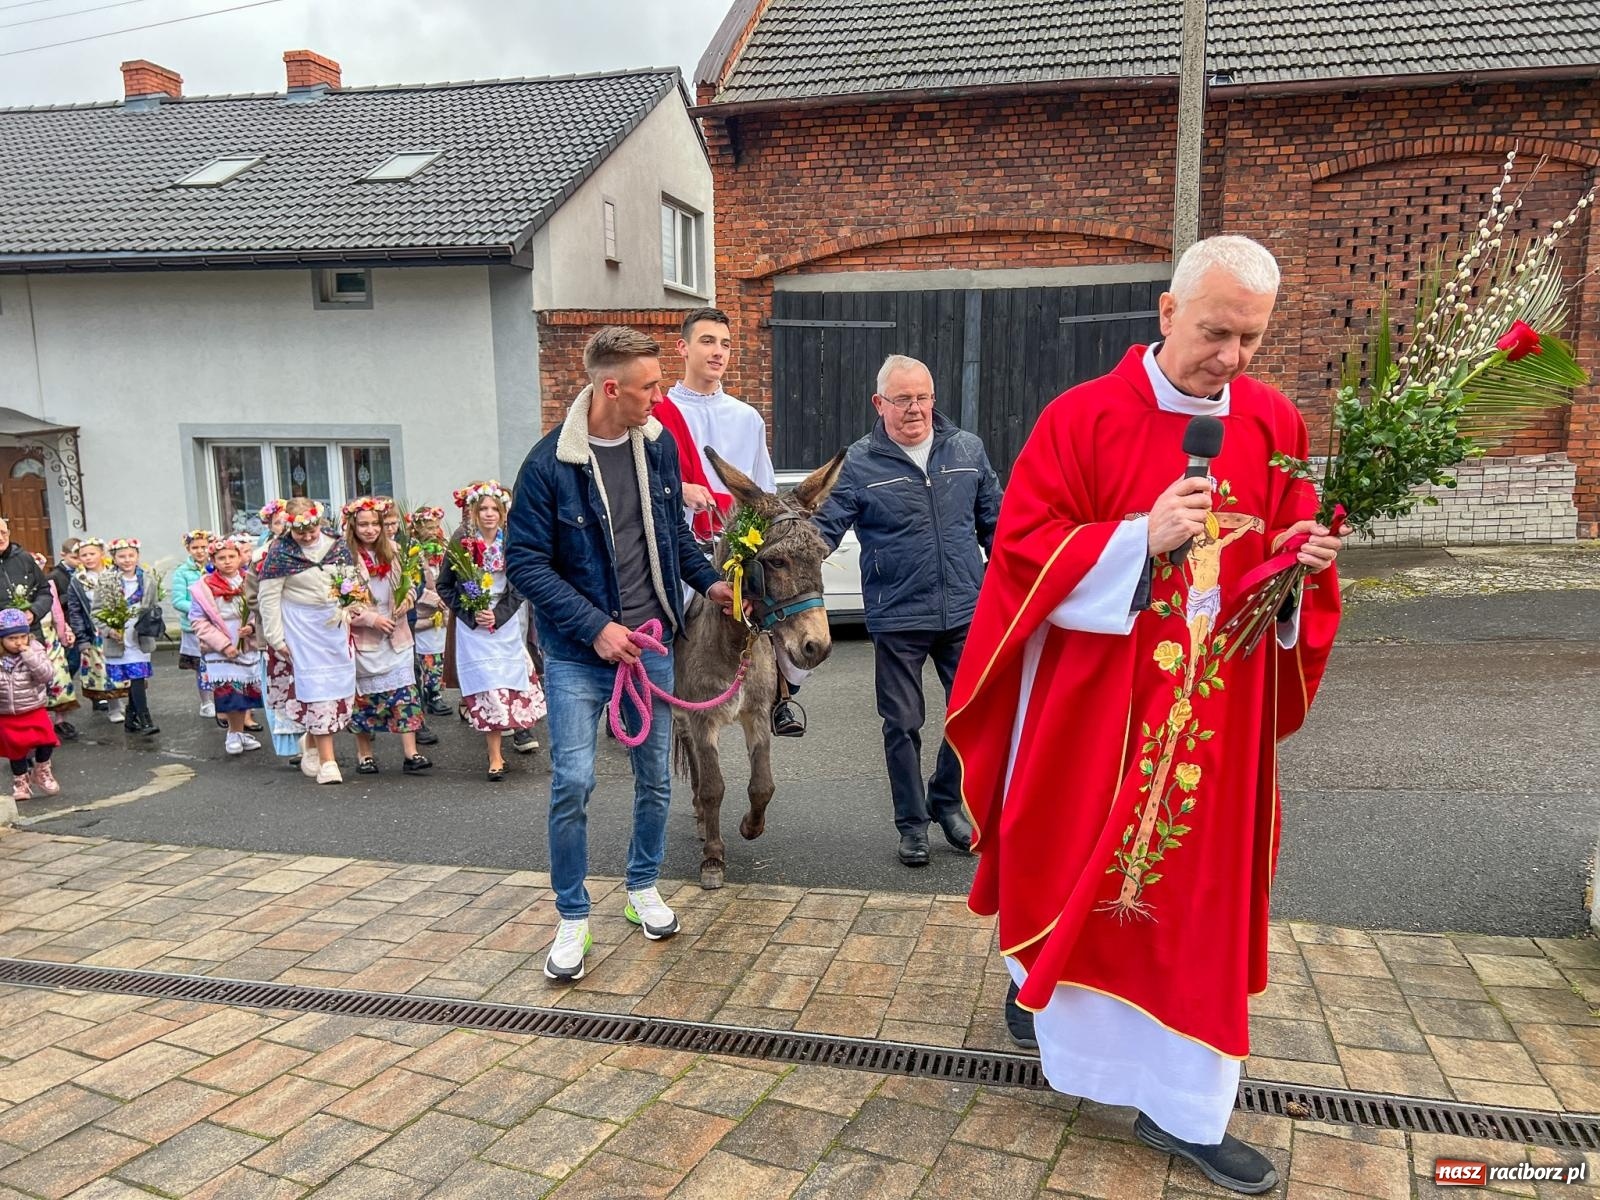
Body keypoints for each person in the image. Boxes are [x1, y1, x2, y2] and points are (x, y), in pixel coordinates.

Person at [945, 236, 1345, 1195]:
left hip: (1218, 722)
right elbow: (1022, 551)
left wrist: (1303, 571)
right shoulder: (1081, 419)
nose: (1232, 358)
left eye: (1251, 338)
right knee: (1077, 868)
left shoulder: (1274, 420)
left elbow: (1293, 536)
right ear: (1167, 315)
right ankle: (1041, 989)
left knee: (1194, 910)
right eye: (1215, 332)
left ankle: (1187, 1109)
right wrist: (1135, 540)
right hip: (1099, 719)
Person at [508, 326, 734, 983]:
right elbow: (524, 561)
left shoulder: (657, 449)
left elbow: (670, 536)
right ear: (611, 388)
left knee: (658, 779)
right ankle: (573, 915)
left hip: (654, 644)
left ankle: (641, 889)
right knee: (574, 781)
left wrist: (710, 582)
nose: (659, 399)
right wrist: (595, 626)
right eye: (649, 387)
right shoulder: (549, 464)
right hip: (580, 652)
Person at [813, 353, 1001, 868]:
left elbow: (998, 528)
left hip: (965, 609)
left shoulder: (967, 450)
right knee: (902, 725)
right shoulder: (859, 463)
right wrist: (782, 554)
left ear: (933, 399)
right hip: (897, 615)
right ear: (880, 404)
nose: (914, 409)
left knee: (975, 714)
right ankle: (912, 824)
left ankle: (945, 798)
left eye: (922, 397)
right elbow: (824, 530)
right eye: (902, 400)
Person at [657, 307, 806, 737]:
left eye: (724, 344)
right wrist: (681, 489)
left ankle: (782, 697)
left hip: (738, 548)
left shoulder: (747, 418)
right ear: (682, 347)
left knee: (788, 613)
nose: (718, 352)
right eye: (707, 341)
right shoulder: (657, 418)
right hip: (681, 547)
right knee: (660, 614)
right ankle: (651, 696)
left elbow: (764, 490)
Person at [439, 482, 545, 781]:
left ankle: (520, 729)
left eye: (493, 509)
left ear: (502, 513)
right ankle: (495, 756)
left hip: (504, 620)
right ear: (473, 512)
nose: (488, 514)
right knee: (488, 688)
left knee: (508, 683)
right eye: (482, 509)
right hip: (474, 627)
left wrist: (496, 616)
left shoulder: (511, 540)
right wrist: (472, 613)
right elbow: (445, 585)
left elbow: (521, 583)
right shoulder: (462, 542)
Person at [257, 498, 357, 785]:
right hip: (300, 626)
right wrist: (277, 638)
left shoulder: (336, 545)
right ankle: (329, 763)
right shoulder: (280, 551)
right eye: (302, 532)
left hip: (334, 624)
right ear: (290, 529)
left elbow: (349, 583)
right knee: (317, 690)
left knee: (336, 688)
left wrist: (350, 608)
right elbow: (269, 598)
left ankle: (311, 742)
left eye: (312, 530)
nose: (309, 536)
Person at [343, 497, 432, 775]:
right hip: (365, 636)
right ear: (353, 526)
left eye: (375, 524)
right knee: (365, 699)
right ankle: (365, 754)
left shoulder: (393, 550)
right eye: (363, 525)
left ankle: (411, 753)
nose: (370, 530)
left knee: (404, 692)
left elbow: (409, 584)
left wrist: (407, 599)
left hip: (396, 632)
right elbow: (340, 601)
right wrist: (371, 619)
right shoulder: (345, 558)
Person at [187, 535, 264, 756]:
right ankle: (232, 732)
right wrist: (223, 645)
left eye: (232, 556)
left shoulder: (248, 580)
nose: (227, 561)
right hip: (221, 643)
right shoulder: (204, 587)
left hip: (245, 642)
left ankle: (239, 732)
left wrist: (251, 626)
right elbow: (198, 621)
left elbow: (259, 609)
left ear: (241, 558)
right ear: (214, 560)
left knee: (245, 692)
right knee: (229, 691)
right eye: (221, 558)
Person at [248, 501, 304, 764]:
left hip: (304, 630)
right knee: (281, 688)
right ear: (271, 526)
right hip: (273, 633)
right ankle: (291, 747)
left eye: (287, 520)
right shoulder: (261, 557)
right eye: (279, 522)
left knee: (306, 686)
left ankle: (312, 740)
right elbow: (251, 596)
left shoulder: (308, 553)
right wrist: (278, 607)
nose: (284, 526)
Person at [92, 538, 161, 736]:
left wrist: (150, 620)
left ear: (138, 556)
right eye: (122, 556)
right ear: (113, 558)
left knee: (138, 676)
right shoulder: (106, 580)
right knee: (135, 677)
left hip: (139, 635)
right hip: (119, 636)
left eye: (131, 555)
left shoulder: (148, 578)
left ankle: (133, 717)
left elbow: (153, 605)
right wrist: (109, 630)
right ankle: (145, 719)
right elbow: (96, 611)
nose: (127, 560)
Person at [0, 609, 60, 801]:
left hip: (33, 706)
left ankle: (41, 770)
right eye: (12, 638)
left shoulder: (34, 650)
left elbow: (46, 675)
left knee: (46, 739)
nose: (19, 642)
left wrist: (30, 658)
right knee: (15, 748)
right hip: (7, 711)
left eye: (22, 636)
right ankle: (21, 781)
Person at [73, 538, 125, 722]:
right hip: (95, 631)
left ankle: (132, 704)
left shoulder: (114, 574)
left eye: (92, 553)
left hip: (116, 626)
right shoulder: (78, 580)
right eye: (83, 555)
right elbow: (76, 610)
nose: (88, 558)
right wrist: (82, 639)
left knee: (123, 665)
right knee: (104, 670)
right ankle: (114, 707)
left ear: (101, 554)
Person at [30, 552, 79, 744]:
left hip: (51, 638)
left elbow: (57, 612)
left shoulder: (47, 585)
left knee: (59, 678)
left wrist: (65, 632)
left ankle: (60, 720)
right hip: (30, 638)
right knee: (35, 683)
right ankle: (41, 723)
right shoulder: (16, 590)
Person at [49, 541, 91, 742]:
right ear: (63, 555)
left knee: (75, 664)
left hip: (77, 626)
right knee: (67, 665)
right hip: (64, 626)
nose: (80, 560)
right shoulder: (55, 576)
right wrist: (72, 595)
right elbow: (54, 602)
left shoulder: (84, 573)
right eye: (75, 557)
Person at [171, 529, 215, 719]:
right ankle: (206, 702)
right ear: (188, 549)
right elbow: (178, 600)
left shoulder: (215, 566)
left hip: (216, 623)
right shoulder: (183, 572)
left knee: (219, 662)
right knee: (201, 665)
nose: (200, 551)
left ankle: (224, 699)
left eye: (204, 547)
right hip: (195, 625)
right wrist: (202, 610)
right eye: (195, 547)